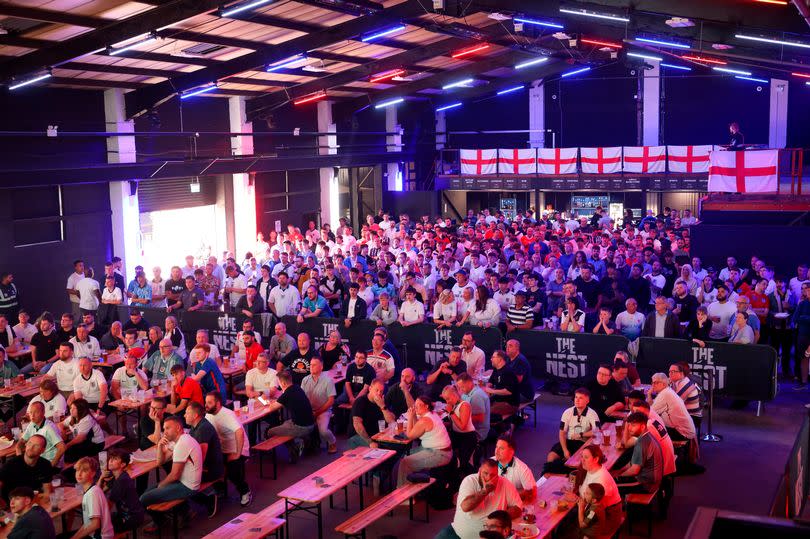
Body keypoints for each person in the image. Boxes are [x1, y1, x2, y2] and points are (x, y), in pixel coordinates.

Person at [435, 460, 522, 539]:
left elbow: (518, 507)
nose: (488, 478)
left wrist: (500, 518)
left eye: (493, 475)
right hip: (458, 534)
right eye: (485, 473)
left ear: (497, 474)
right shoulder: (469, 481)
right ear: (479, 471)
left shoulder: (505, 484)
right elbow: (465, 507)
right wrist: (485, 491)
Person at [139, 415, 202, 524]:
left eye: (168, 428)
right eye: (164, 429)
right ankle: (168, 516)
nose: (165, 432)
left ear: (178, 428)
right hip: (182, 481)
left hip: (188, 487)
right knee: (147, 492)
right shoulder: (177, 441)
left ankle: (160, 521)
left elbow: (175, 475)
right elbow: (160, 462)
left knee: (143, 499)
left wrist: (161, 485)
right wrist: (159, 446)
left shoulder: (182, 443)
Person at [204, 391, 252, 506]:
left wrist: (237, 453)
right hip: (223, 449)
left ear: (218, 403)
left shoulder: (227, 415)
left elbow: (239, 432)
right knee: (207, 464)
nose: (206, 405)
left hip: (238, 448)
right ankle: (220, 489)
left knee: (232, 469)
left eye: (209, 403)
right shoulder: (209, 414)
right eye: (206, 402)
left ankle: (245, 491)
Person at [396, 395, 452, 486]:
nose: (416, 407)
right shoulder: (432, 413)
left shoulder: (425, 420)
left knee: (405, 463)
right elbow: (417, 427)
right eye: (415, 404)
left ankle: (404, 496)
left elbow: (410, 435)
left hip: (440, 454)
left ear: (426, 406)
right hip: (438, 450)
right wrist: (414, 416)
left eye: (419, 405)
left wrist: (410, 417)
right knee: (408, 453)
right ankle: (411, 485)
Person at [265, 370, 316, 462]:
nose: (279, 385)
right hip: (310, 422)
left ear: (283, 383)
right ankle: (301, 442)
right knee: (285, 423)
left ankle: (294, 449)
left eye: (279, 383)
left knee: (270, 431)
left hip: (301, 427)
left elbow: (272, 408)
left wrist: (268, 402)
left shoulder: (287, 394)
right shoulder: (297, 388)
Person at [546, 387, 600, 466]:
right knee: (551, 457)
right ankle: (548, 474)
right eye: (576, 397)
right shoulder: (567, 412)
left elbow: (597, 430)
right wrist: (565, 450)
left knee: (576, 462)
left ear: (587, 401)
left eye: (580, 398)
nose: (577, 400)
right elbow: (562, 433)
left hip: (583, 443)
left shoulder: (592, 413)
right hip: (569, 441)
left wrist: (581, 434)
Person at [612, 412, 663, 494]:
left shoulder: (642, 442)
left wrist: (619, 476)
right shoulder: (646, 437)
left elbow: (634, 471)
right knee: (613, 477)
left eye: (633, 425)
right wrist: (619, 471)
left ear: (642, 427)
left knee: (609, 485)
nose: (629, 428)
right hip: (647, 479)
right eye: (629, 425)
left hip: (646, 484)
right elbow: (632, 464)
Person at [98, 449, 146, 535]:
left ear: (123, 464)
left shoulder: (121, 481)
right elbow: (98, 492)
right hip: (124, 514)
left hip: (132, 518)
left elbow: (108, 505)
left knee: (100, 530)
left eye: (115, 459)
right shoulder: (116, 477)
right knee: (99, 525)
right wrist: (101, 478)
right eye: (110, 458)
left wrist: (97, 521)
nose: (110, 461)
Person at [0, 434, 55, 501]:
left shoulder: (45, 465)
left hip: (32, 500)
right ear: (25, 445)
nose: (31, 448)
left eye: (36, 445)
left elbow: (47, 492)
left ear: (42, 450)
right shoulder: (11, 464)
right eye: (29, 443)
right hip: (12, 503)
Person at [73, 456, 115, 539]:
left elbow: (95, 525)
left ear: (93, 473)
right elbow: (87, 524)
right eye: (77, 470)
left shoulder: (92, 494)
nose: (79, 474)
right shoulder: (91, 490)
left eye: (84, 470)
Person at [301, 358, 337, 454]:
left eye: (314, 365)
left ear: (321, 367)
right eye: (310, 365)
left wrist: (317, 412)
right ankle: (309, 445)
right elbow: (302, 398)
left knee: (323, 431)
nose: (311, 367)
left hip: (324, 410)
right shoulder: (305, 380)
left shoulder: (328, 381)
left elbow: (331, 401)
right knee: (298, 427)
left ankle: (332, 441)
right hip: (309, 410)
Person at [649, 373, 697, 442]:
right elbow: (652, 406)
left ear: (664, 384)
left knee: (649, 429)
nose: (653, 385)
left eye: (655, 383)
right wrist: (649, 394)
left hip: (682, 432)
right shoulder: (666, 391)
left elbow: (650, 413)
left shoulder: (665, 394)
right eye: (652, 383)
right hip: (685, 430)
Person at [349, 378, 395, 449]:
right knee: (380, 448)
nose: (379, 393)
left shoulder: (382, 401)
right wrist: (370, 442)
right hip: (359, 436)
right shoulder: (360, 402)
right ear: (370, 389)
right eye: (376, 390)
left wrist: (382, 407)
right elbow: (357, 425)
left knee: (395, 445)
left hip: (376, 435)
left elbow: (391, 421)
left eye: (381, 391)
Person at [18, 401, 65, 466]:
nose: (32, 415)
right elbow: (21, 442)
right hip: (38, 461)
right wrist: (20, 458)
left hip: (49, 463)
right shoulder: (32, 424)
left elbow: (62, 447)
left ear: (43, 413)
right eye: (31, 412)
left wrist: (51, 466)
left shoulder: (49, 428)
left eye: (36, 412)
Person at [491, 436, 536, 502]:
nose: (496, 451)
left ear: (511, 451)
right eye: (496, 447)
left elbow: (532, 492)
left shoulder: (522, 468)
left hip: (513, 503)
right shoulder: (489, 463)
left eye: (501, 448)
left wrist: (509, 498)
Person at [60, 398, 105, 463]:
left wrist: (67, 445)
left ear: (81, 410)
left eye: (74, 408)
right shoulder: (73, 417)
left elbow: (80, 438)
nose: (71, 410)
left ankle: (74, 470)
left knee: (67, 456)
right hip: (83, 442)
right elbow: (60, 425)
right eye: (70, 408)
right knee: (61, 451)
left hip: (95, 444)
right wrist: (63, 431)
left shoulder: (87, 419)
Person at [456, 373, 491, 444]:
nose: (461, 390)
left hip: (478, 432)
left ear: (470, 383)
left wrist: (460, 419)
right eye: (459, 387)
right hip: (472, 427)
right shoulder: (466, 393)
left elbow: (480, 418)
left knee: (452, 436)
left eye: (462, 387)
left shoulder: (476, 396)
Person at [484, 350, 519, 419]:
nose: (491, 359)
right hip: (498, 399)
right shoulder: (496, 369)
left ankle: (505, 426)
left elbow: (508, 391)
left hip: (510, 403)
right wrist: (488, 387)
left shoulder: (508, 372)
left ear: (500, 359)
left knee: (486, 413)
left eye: (493, 357)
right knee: (480, 407)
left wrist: (490, 391)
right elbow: (490, 382)